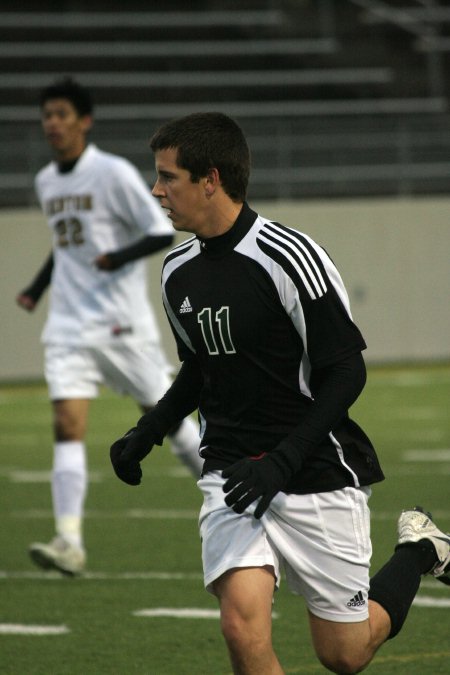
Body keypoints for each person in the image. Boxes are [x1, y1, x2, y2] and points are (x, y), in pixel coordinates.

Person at [109, 112, 449, 674]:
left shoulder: (290, 257)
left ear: (210, 179)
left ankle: (420, 550)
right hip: (232, 471)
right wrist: (146, 431)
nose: (156, 190)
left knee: (345, 654)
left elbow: (346, 373)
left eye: (168, 177)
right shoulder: (176, 271)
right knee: (241, 624)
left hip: (313, 467)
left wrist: (283, 461)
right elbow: (200, 366)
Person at [16, 78, 202, 577]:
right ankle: (69, 542)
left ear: (84, 120)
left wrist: (116, 256)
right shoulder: (46, 181)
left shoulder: (112, 173)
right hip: (69, 324)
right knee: (66, 426)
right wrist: (37, 288)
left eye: (60, 113)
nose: (51, 123)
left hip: (121, 324)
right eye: (46, 114)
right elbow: (64, 246)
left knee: (171, 422)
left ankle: (235, 499)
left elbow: (161, 230)